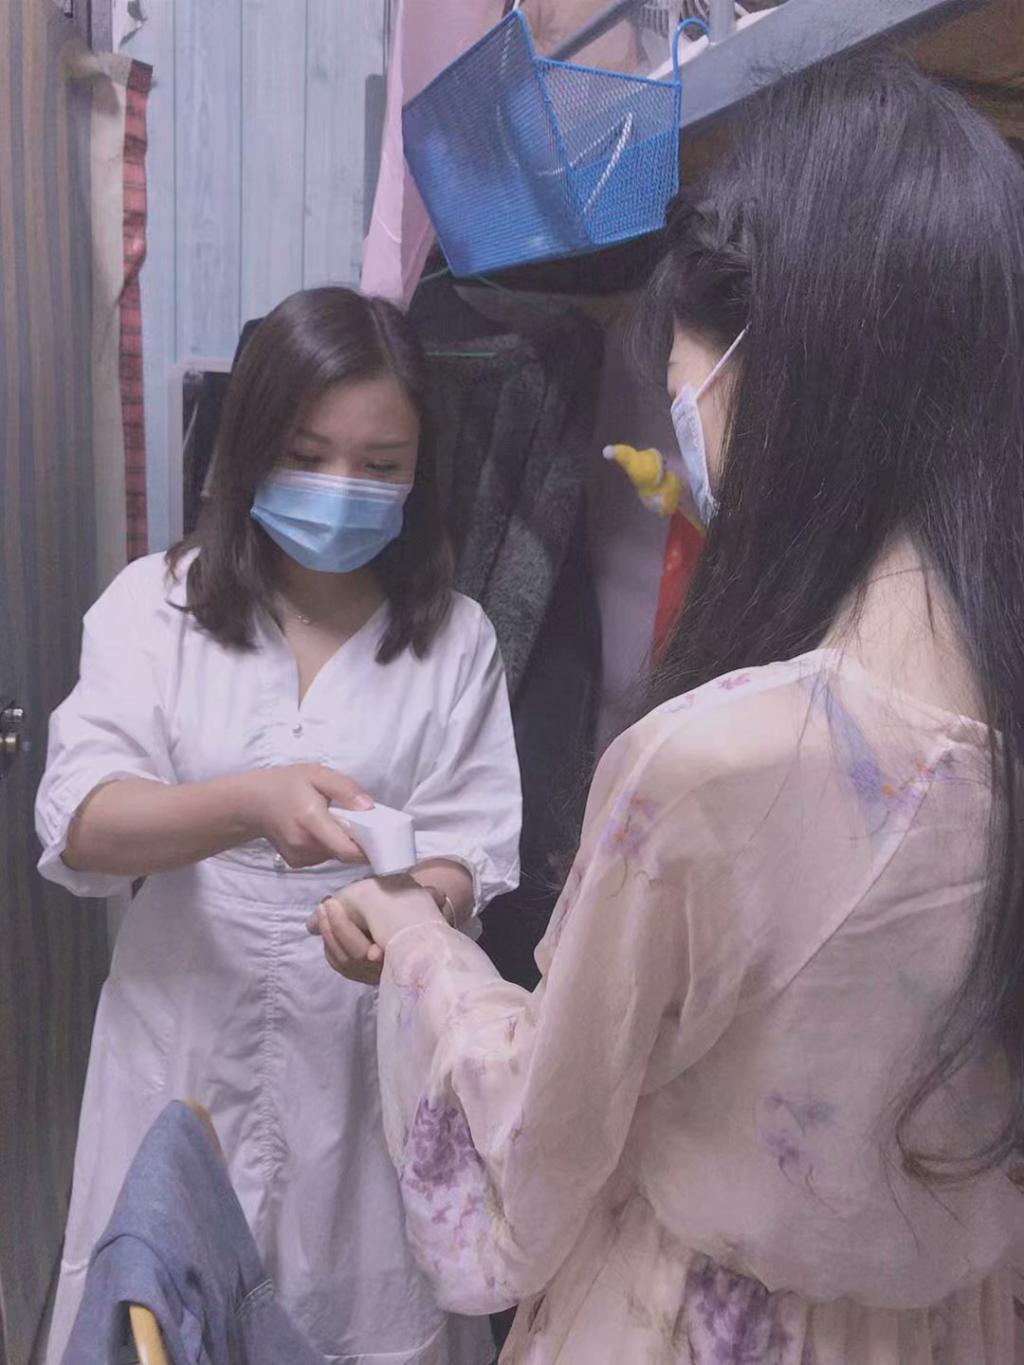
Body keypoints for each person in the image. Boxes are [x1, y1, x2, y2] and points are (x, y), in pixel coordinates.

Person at [310, 55, 1024, 1364]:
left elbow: (530, 1157)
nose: (683, 426)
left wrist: (417, 944)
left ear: (783, 367)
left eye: (683, 378)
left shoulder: (716, 759)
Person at [37, 286, 522, 1365]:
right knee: (159, 1314)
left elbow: (473, 853)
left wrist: (407, 912)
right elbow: (82, 822)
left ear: (420, 472)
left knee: (358, 1321)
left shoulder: (455, 639)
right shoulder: (156, 607)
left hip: (365, 1070)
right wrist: (247, 802)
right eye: (309, 455)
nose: (343, 487)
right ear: (251, 447)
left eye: (380, 465)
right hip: (180, 1044)